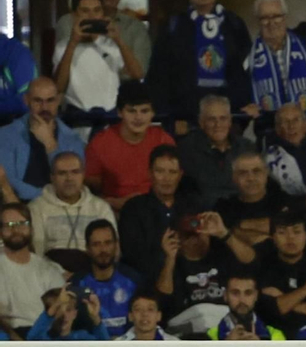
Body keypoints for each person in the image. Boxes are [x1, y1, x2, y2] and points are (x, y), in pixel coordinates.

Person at [147, 0, 252, 127]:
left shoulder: (234, 24)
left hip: (227, 124)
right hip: (183, 124)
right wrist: (170, 120)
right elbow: (158, 77)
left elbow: (244, 74)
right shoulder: (173, 26)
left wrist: (239, 120)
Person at [243, 0, 306, 126]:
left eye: (276, 16)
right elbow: (239, 92)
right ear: (258, 21)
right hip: (269, 130)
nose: (271, 23)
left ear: (285, 17)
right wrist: (247, 105)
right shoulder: (248, 56)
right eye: (265, 18)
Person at [83, 82, 175, 211]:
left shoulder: (163, 140)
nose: (138, 117)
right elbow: (87, 193)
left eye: (144, 111)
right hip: (114, 213)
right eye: (131, 111)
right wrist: (115, 203)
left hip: (157, 211)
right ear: (120, 112)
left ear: (153, 113)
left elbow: (175, 186)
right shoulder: (100, 144)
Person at [53, 0, 145, 119]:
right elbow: (59, 86)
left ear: (102, 14)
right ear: (75, 15)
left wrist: (118, 40)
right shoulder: (63, 47)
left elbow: (138, 74)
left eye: (97, 10)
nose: (92, 16)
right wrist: (73, 43)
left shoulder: (112, 45)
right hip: (78, 118)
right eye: (85, 11)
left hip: (110, 118)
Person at [0, 79, 87, 205]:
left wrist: (50, 145)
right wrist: (47, 197)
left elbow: (72, 184)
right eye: (38, 101)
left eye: (50, 100)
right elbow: (8, 180)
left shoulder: (73, 139)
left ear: (58, 101)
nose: (44, 107)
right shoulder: (6, 134)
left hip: (62, 206)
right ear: (26, 100)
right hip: (20, 204)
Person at [28, 151, 112, 255]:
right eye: (62, 173)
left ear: (83, 175)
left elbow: (112, 248)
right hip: (50, 269)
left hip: (92, 268)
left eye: (75, 172)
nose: (69, 178)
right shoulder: (36, 207)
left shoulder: (101, 207)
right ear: (52, 178)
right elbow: (37, 251)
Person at [0, 201, 66, 331]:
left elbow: (61, 313)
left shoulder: (48, 269)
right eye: (9, 225)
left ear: (31, 228)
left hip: (42, 337)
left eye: (21, 224)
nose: (15, 230)